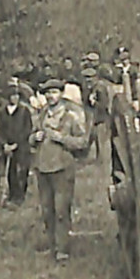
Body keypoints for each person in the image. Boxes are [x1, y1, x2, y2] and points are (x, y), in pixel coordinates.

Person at [31, 79, 89, 262]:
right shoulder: (41, 116)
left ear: (61, 94)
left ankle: (63, 249)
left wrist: (61, 138)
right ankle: (52, 245)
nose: (50, 96)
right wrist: (35, 137)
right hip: (42, 168)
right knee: (47, 210)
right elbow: (30, 139)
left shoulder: (71, 116)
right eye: (47, 93)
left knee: (62, 210)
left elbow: (82, 142)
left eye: (54, 92)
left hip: (63, 169)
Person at [0, 83, 35, 205]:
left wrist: (16, 144)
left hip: (21, 146)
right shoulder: (2, 113)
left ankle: (20, 196)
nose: (15, 98)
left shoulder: (24, 111)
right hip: (7, 147)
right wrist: (4, 145)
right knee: (10, 172)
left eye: (17, 95)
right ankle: (12, 195)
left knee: (21, 171)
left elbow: (27, 129)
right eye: (12, 96)